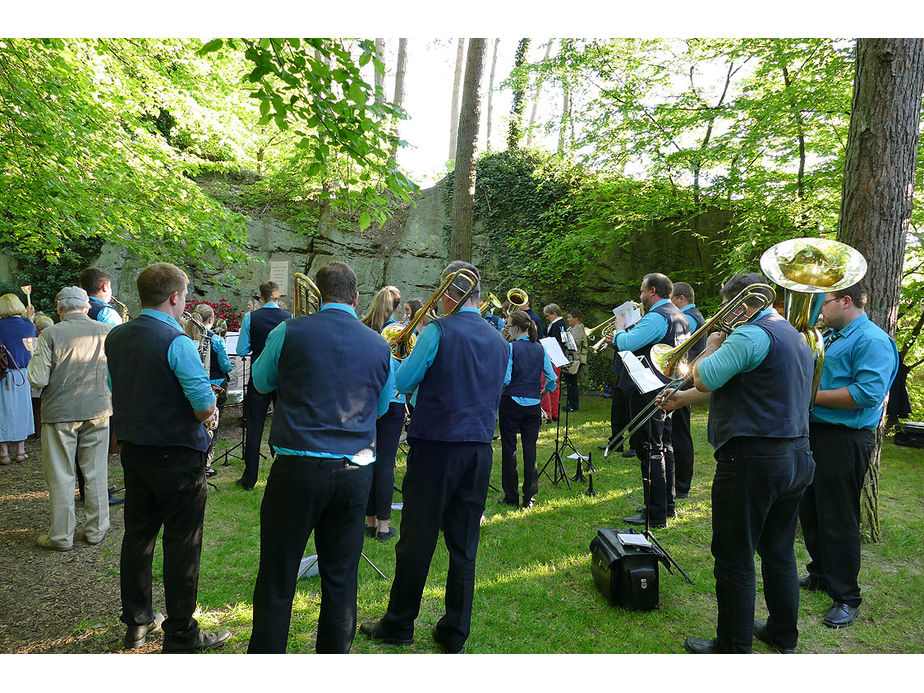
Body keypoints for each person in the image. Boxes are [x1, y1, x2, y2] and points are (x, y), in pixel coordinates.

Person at [659, 272, 815, 654]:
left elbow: (706, 374)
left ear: (740, 304)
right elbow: (750, 385)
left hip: (752, 460)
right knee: (778, 549)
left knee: (734, 555)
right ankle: (782, 632)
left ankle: (732, 646)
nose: (726, 317)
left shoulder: (750, 333)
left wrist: (712, 342)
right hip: (796, 455)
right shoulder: (793, 334)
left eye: (730, 308)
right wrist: (681, 400)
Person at [360, 261, 509, 654]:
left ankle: (399, 623)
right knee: (464, 546)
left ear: (449, 293)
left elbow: (404, 382)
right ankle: (454, 633)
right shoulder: (500, 340)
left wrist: (393, 356)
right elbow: (503, 381)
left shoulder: (438, 330)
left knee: (416, 540)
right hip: (479, 449)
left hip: (436, 446)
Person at [247, 262, 394, 654]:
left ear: (320, 294)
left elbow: (260, 382)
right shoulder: (379, 343)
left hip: (296, 470)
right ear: (356, 297)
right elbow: (381, 407)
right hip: (354, 472)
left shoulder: (287, 330)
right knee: (341, 577)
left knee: (277, 576)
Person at [106, 262, 230, 652]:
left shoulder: (116, 337)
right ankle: (180, 632)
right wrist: (211, 411)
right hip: (177, 454)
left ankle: (137, 620)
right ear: (175, 297)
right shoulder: (177, 341)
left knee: (138, 536)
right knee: (182, 543)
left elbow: (116, 386)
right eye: (185, 296)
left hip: (135, 449)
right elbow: (201, 402)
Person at [798, 284, 898, 629]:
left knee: (838, 516)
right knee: (809, 508)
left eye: (822, 304)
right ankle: (821, 574)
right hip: (818, 433)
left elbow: (867, 394)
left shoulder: (871, 340)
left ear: (846, 301)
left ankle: (847, 596)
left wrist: (808, 398)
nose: (817, 312)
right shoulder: (833, 335)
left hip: (845, 439)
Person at [27, 287, 112, 550]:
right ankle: (97, 530)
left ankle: (61, 536)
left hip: (60, 413)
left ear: (60, 308)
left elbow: (38, 379)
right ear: (87, 307)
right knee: (96, 471)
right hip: (98, 409)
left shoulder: (50, 333)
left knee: (61, 475)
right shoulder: (106, 331)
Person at [607, 273, 689, 528]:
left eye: (642, 291)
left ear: (652, 291)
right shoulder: (679, 315)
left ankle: (655, 514)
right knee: (664, 445)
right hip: (665, 387)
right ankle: (667, 506)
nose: (640, 296)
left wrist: (619, 330)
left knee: (649, 449)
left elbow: (628, 343)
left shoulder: (657, 316)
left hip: (648, 389)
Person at [235, 281, 292, 490]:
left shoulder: (251, 317)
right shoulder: (289, 318)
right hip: (283, 378)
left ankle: (249, 479)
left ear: (261, 297)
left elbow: (241, 350)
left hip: (258, 376)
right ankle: (282, 474)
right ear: (278, 297)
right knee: (283, 424)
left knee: (255, 425)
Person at [498, 310, 557, 509]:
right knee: (530, 449)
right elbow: (552, 379)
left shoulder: (511, 348)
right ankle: (529, 496)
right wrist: (543, 393)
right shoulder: (540, 349)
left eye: (507, 326)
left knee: (509, 448)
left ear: (515, 328)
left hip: (511, 402)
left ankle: (511, 495)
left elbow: (505, 379)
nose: (506, 329)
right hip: (533, 405)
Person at [361, 285, 405, 542]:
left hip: (367, 401)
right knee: (386, 463)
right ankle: (384, 527)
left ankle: (369, 521)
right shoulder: (399, 331)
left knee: (369, 459)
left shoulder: (364, 327)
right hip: (393, 401)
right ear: (397, 307)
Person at [184, 304, 233, 478]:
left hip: (189, 388)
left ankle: (190, 462)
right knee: (212, 425)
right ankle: (206, 465)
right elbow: (226, 365)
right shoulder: (216, 340)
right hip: (214, 385)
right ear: (211, 319)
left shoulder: (184, 338)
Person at [669, 281, 707, 499]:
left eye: (672, 298)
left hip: (683, 378)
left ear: (681, 299)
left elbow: (678, 347)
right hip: (684, 376)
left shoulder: (689, 317)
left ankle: (681, 485)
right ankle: (678, 482)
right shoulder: (692, 315)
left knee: (680, 433)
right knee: (677, 432)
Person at [0, 292, 38, 466]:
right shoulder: (27, 325)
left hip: (2, 374)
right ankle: (21, 451)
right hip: (22, 373)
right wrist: (29, 318)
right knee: (22, 409)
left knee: (3, 411)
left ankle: (4, 453)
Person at [542, 303, 567, 421]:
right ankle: (554, 411)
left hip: (554, 357)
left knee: (551, 384)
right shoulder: (559, 324)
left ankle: (551, 412)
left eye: (548, 316)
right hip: (557, 357)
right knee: (554, 385)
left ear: (554, 314)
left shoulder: (558, 325)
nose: (546, 318)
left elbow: (556, 342)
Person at [563, 307, 588, 412]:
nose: (568, 320)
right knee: (569, 382)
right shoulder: (571, 329)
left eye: (569, 317)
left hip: (577, 359)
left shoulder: (578, 328)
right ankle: (571, 403)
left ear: (576, 318)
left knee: (572, 383)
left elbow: (574, 343)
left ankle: (573, 405)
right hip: (571, 359)